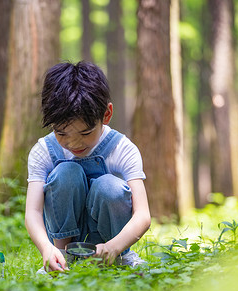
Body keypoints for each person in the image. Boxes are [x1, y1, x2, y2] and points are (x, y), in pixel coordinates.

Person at [25, 61, 151, 272]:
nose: (73, 144)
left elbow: (143, 215)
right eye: (62, 133)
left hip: (112, 244)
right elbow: (33, 212)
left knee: (108, 186)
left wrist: (114, 247)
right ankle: (62, 259)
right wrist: (46, 248)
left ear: (106, 115)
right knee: (66, 172)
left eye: (85, 133)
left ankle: (120, 258)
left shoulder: (122, 149)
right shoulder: (43, 151)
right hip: (61, 241)